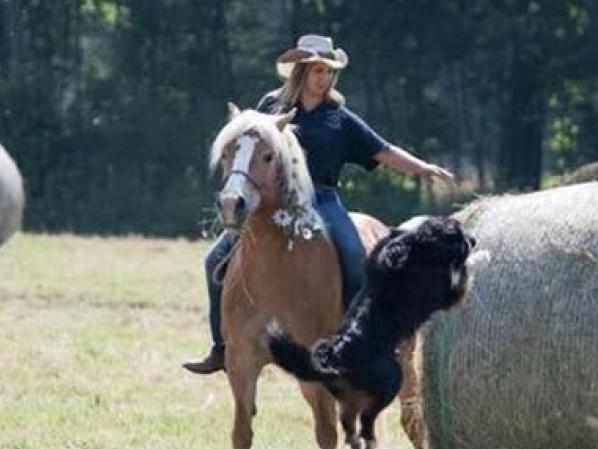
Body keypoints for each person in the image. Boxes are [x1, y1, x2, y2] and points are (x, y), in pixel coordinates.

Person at [183, 34, 454, 375]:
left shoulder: (338, 117)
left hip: (322, 199)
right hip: (270, 204)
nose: (325, 78)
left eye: (330, 72)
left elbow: (382, 151)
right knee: (214, 261)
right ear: (302, 70)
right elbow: (246, 144)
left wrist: (423, 168)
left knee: (355, 255)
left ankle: (359, 338)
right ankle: (222, 348)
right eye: (318, 71)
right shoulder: (270, 106)